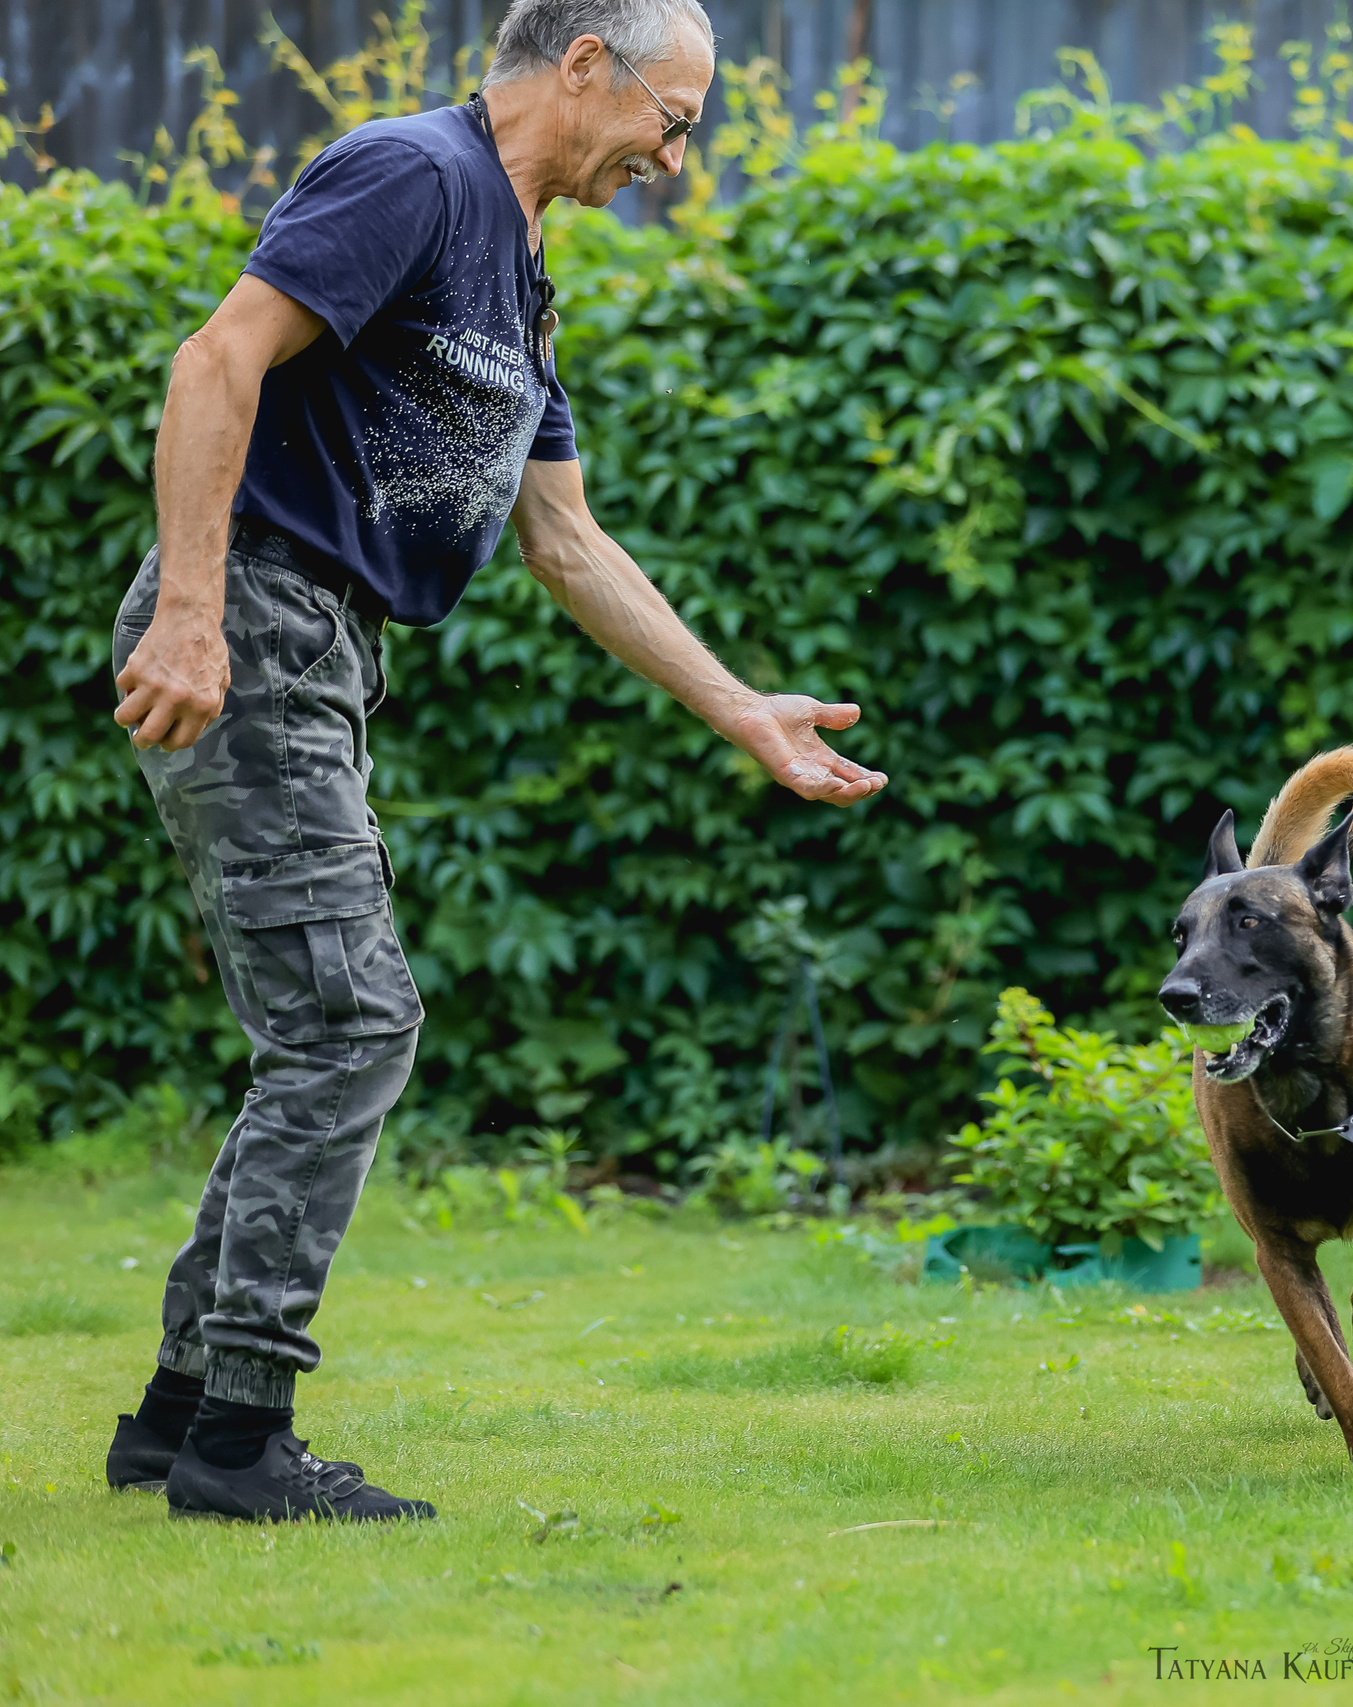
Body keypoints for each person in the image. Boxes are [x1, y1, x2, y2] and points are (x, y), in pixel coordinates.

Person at [101, 0, 884, 1522]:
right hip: (255, 618)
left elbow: (565, 537)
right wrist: (193, 613)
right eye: (677, 116)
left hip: (321, 648)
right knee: (346, 1025)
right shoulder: (414, 176)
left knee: (332, 1027)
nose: (679, 153)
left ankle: (182, 1418)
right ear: (584, 65)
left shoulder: (520, 272)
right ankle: (238, 1446)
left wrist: (739, 707)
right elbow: (217, 365)